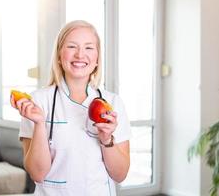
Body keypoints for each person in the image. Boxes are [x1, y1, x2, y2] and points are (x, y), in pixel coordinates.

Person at [11, 20, 131, 196]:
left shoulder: (113, 103)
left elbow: (120, 175)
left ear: (97, 58)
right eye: (72, 47)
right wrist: (39, 124)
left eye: (89, 48)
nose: (80, 55)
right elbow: (37, 174)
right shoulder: (38, 101)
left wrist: (107, 139)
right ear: (59, 56)